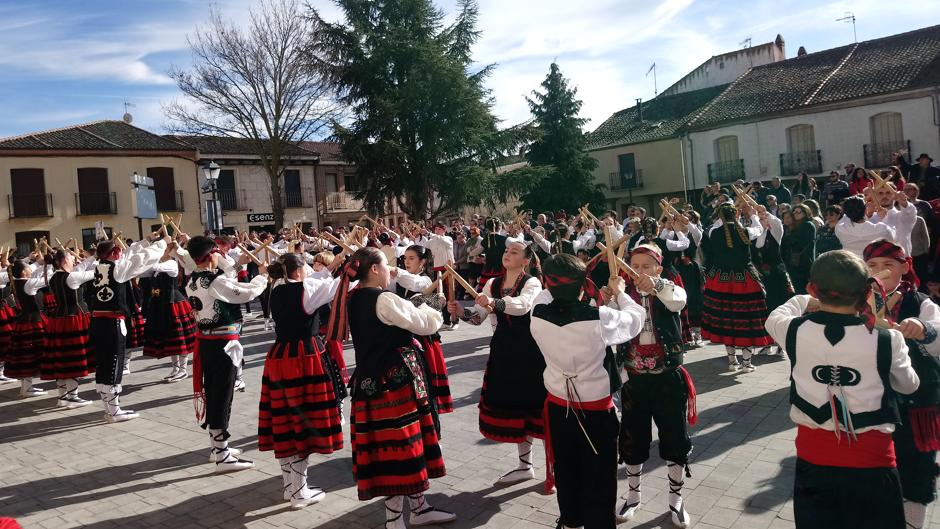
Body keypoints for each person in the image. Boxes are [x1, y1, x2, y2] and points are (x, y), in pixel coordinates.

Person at [765, 250, 919, 529]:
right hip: (874, 465)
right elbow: (909, 385)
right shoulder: (887, 338)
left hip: (814, 465)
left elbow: (776, 315)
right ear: (866, 290)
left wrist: (804, 300)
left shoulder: (792, 330)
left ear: (813, 289)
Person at [339, 247, 456, 528]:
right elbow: (426, 324)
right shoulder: (384, 300)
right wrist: (433, 304)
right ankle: (395, 521)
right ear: (375, 270)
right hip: (393, 386)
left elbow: (403, 313)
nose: (392, 270)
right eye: (386, 265)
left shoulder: (353, 297)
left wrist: (418, 302)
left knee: (402, 448)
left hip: (370, 381)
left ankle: (419, 508)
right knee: (399, 452)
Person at [528, 253, 644, 529]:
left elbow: (548, 293)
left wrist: (577, 281)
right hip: (595, 413)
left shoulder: (537, 312)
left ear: (547, 282)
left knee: (567, 469)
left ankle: (571, 521)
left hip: (559, 407)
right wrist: (620, 292)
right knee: (599, 478)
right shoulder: (599, 318)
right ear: (583, 286)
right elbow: (635, 318)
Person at [450, 240, 547, 488]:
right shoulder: (493, 283)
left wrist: (495, 303)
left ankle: (553, 469)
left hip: (531, 353)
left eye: (514, 252)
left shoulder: (532, 283)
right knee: (516, 409)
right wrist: (461, 311)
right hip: (504, 352)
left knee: (538, 409)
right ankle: (525, 466)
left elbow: (523, 306)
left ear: (525, 260)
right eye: (506, 251)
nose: (507, 254)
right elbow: (477, 319)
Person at [612, 245, 695, 528]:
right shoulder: (624, 296)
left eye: (647, 266)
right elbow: (608, 327)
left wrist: (657, 284)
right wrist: (613, 297)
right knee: (633, 440)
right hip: (634, 379)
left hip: (668, 378)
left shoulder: (670, 288)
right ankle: (633, 496)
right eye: (635, 265)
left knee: (674, 437)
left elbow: (678, 302)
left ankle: (676, 500)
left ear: (658, 268)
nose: (640, 271)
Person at [863, 240, 940, 529]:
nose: (880, 271)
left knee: (916, 470)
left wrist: (924, 330)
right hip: (874, 400)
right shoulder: (858, 303)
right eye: (872, 265)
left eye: (888, 265)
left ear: (905, 267)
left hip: (916, 401)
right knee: (877, 469)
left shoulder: (920, 302)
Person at [259, 253, 344, 509]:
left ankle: (290, 486)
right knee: (302, 422)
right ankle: (298, 491)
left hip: (279, 356)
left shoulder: (276, 287)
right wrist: (350, 269)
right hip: (303, 358)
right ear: (297, 272)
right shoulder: (305, 292)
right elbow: (334, 287)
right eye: (305, 268)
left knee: (285, 420)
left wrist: (335, 264)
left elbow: (318, 279)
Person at [176, 235, 267, 472]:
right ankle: (222, 455)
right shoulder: (214, 282)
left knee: (217, 393)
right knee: (222, 395)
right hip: (221, 344)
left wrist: (233, 265)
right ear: (210, 256)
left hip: (209, 342)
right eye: (216, 252)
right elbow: (245, 293)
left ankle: (219, 447)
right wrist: (263, 277)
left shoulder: (193, 279)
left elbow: (229, 279)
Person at [88, 237, 166, 422]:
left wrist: (146, 241)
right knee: (114, 363)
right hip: (112, 323)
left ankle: (109, 409)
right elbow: (140, 259)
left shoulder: (98, 267)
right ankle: (114, 412)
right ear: (114, 253)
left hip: (97, 322)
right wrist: (162, 245)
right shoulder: (118, 270)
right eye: (118, 251)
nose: (121, 253)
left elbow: (130, 255)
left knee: (104, 363)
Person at [702, 204, 773, 371]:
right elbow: (758, 229)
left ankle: (732, 362)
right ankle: (747, 363)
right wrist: (753, 214)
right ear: (736, 214)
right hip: (744, 280)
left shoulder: (713, 232)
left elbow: (718, 227)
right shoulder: (746, 231)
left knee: (727, 320)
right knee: (746, 320)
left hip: (721, 280)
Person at [395, 245, 454, 416]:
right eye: (405, 258)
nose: (406, 262)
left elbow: (413, 282)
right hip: (406, 337)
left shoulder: (425, 281)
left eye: (412, 258)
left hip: (423, 339)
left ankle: (433, 429)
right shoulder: (401, 280)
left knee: (426, 386)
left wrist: (394, 271)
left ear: (423, 262)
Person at [42, 250, 97, 408]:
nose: (75, 261)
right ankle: (72, 396)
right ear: (65, 260)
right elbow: (94, 272)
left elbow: (83, 266)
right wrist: (104, 261)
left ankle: (63, 396)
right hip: (73, 320)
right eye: (72, 258)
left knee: (62, 358)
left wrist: (95, 256)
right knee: (74, 357)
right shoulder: (72, 277)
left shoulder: (54, 276)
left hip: (58, 320)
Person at [142, 254, 197, 382]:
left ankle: (183, 370)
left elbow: (154, 265)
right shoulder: (157, 269)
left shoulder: (171, 264)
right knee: (170, 339)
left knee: (179, 338)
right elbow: (143, 271)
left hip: (174, 304)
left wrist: (144, 257)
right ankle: (176, 368)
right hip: (160, 306)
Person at [752, 207, 794, 355]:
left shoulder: (776, 232)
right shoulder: (755, 234)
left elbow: (776, 222)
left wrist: (765, 212)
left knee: (780, 308)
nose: (761, 220)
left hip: (777, 276)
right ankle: (768, 343)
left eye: (764, 218)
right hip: (762, 277)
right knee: (765, 310)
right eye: (759, 219)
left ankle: (782, 344)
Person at [6, 259, 50, 398]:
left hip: (25, 321)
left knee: (26, 354)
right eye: (29, 269)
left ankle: (27, 387)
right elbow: (46, 280)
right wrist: (48, 265)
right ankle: (27, 388)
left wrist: (39, 263)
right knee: (31, 354)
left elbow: (34, 270)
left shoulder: (20, 281)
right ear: (24, 272)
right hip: (33, 322)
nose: (31, 271)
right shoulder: (28, 283)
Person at [782, 204, 816, 294]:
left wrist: (789, 236)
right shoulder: (794, 226)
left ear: (805, 213)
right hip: (793, 262)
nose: (795, 214)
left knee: (802, 289)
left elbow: (798, 242)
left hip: (803, 262)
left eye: (798, 212)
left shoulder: (808, 225)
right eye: (794, 211)